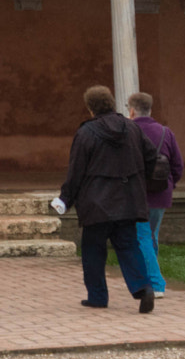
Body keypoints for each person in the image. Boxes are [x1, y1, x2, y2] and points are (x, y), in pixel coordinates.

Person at [55, 84, 162, 314]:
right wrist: (142, 182)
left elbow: (76, 171)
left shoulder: (86, 133)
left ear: (90, 108)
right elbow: (152, 157)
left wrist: (65, 198)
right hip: (128, 201)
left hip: (96, 204)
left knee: (93, 250)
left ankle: (97, 297)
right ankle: (144, 288)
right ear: (112, 103)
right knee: (129, 246)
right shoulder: (131, 128)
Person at [126, 91, 184, 298]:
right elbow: (178, 165)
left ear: (132, 110)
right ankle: (149, 276)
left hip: (137, 193)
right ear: (150, 109)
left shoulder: (128, 131)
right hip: (161, 193)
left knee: (142, 237)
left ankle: (155, 283)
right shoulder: (165, 132)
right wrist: (168, 184)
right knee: (151, 236)